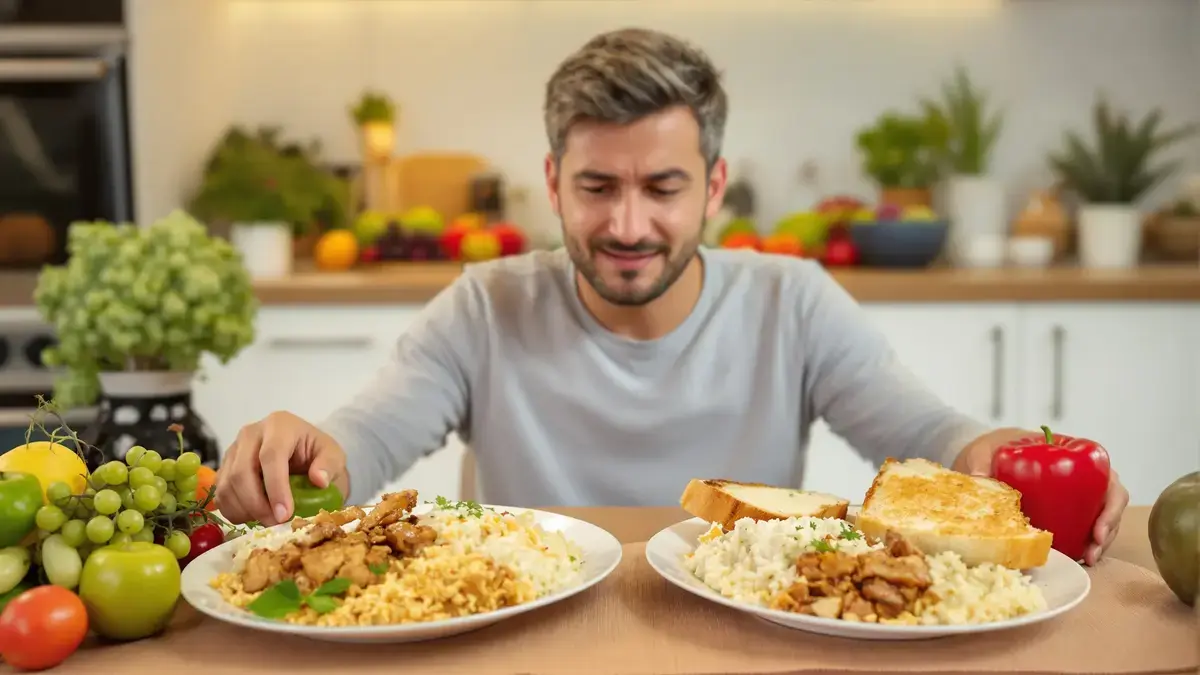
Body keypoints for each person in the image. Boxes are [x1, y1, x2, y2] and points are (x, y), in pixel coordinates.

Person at [215, 27, 1128, 565]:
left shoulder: (792, 302)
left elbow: (923, 434)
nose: (627, 224)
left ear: (715, 187)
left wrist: (997, 456)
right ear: (552, 178)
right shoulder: (484, 304)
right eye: (597, 186)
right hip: (529, 623)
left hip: (746, 629)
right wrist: (311, 453)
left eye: (662, 188)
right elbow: (369, 436)